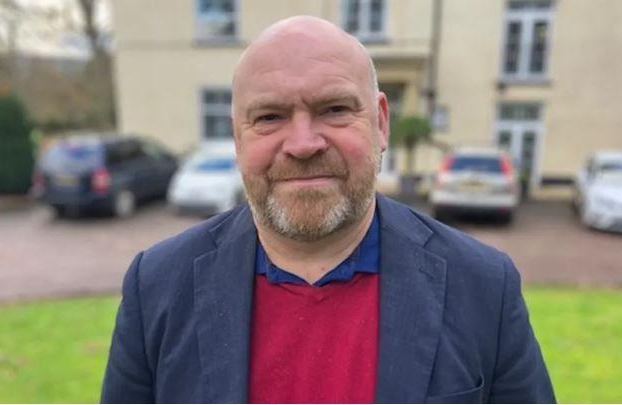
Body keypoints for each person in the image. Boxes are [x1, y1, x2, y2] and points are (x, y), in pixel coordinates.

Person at [101, 16, 555, 404]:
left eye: (334, 109)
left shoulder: (482, 287)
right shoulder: (157, 286)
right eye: (269, 117)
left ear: (380, 123)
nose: (302, 144)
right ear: (238, 139)